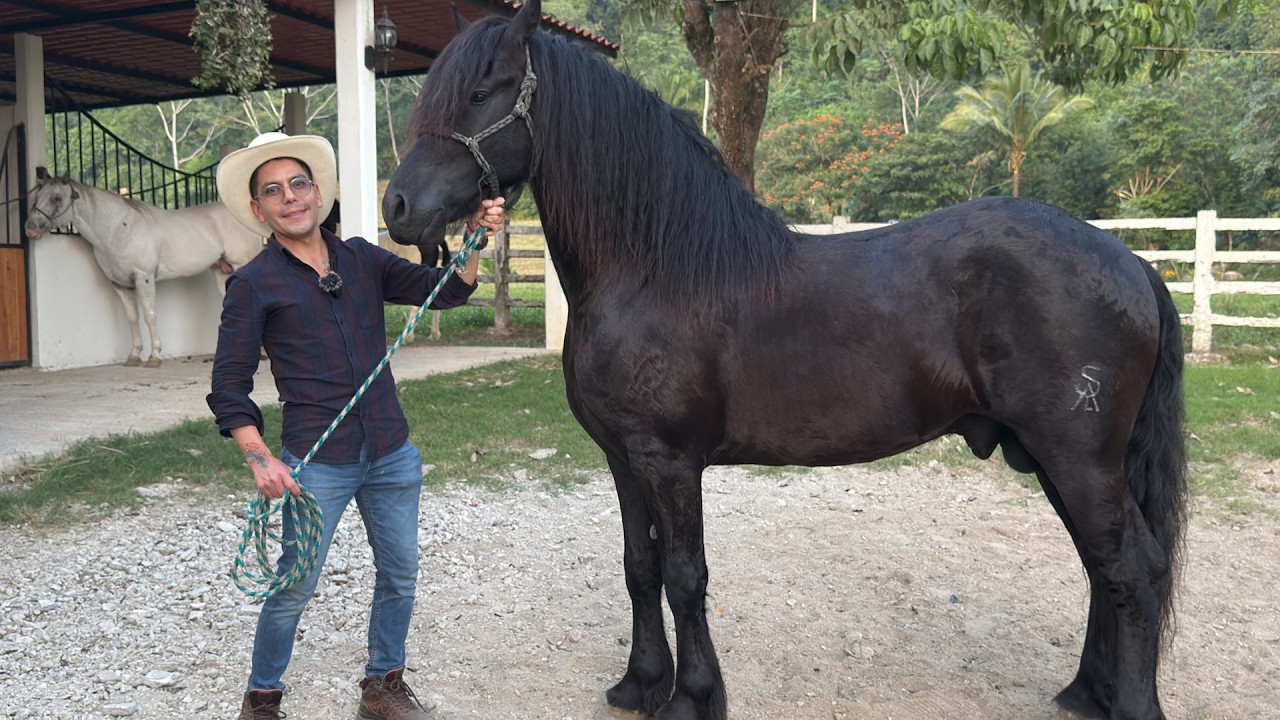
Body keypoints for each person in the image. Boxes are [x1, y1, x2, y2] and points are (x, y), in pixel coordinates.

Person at [207, 131, 505, 720]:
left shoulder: (363, 259)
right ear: (259, 210)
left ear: (318, 193)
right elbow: (228, 386)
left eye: (299, 183)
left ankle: (382, 688)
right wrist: (260, 458)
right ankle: (261, 701)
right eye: (273, 191)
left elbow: (446, 291)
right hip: (317, 464)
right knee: (294, 585)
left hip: (391, 453)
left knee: (400, 573)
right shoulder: (253, 284)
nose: (291, 197)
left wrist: (474, 237)